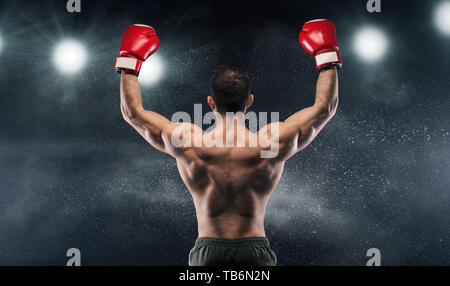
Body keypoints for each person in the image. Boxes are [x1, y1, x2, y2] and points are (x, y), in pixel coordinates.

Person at [113, 19, 341, 266]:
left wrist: (129, 62)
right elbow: (324, 109)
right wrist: (325, 55)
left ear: (211, 103)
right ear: (249, 101)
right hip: (254, 252)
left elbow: (133, 113)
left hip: (208, 252)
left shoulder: (188, 142)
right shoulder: (270, 143)